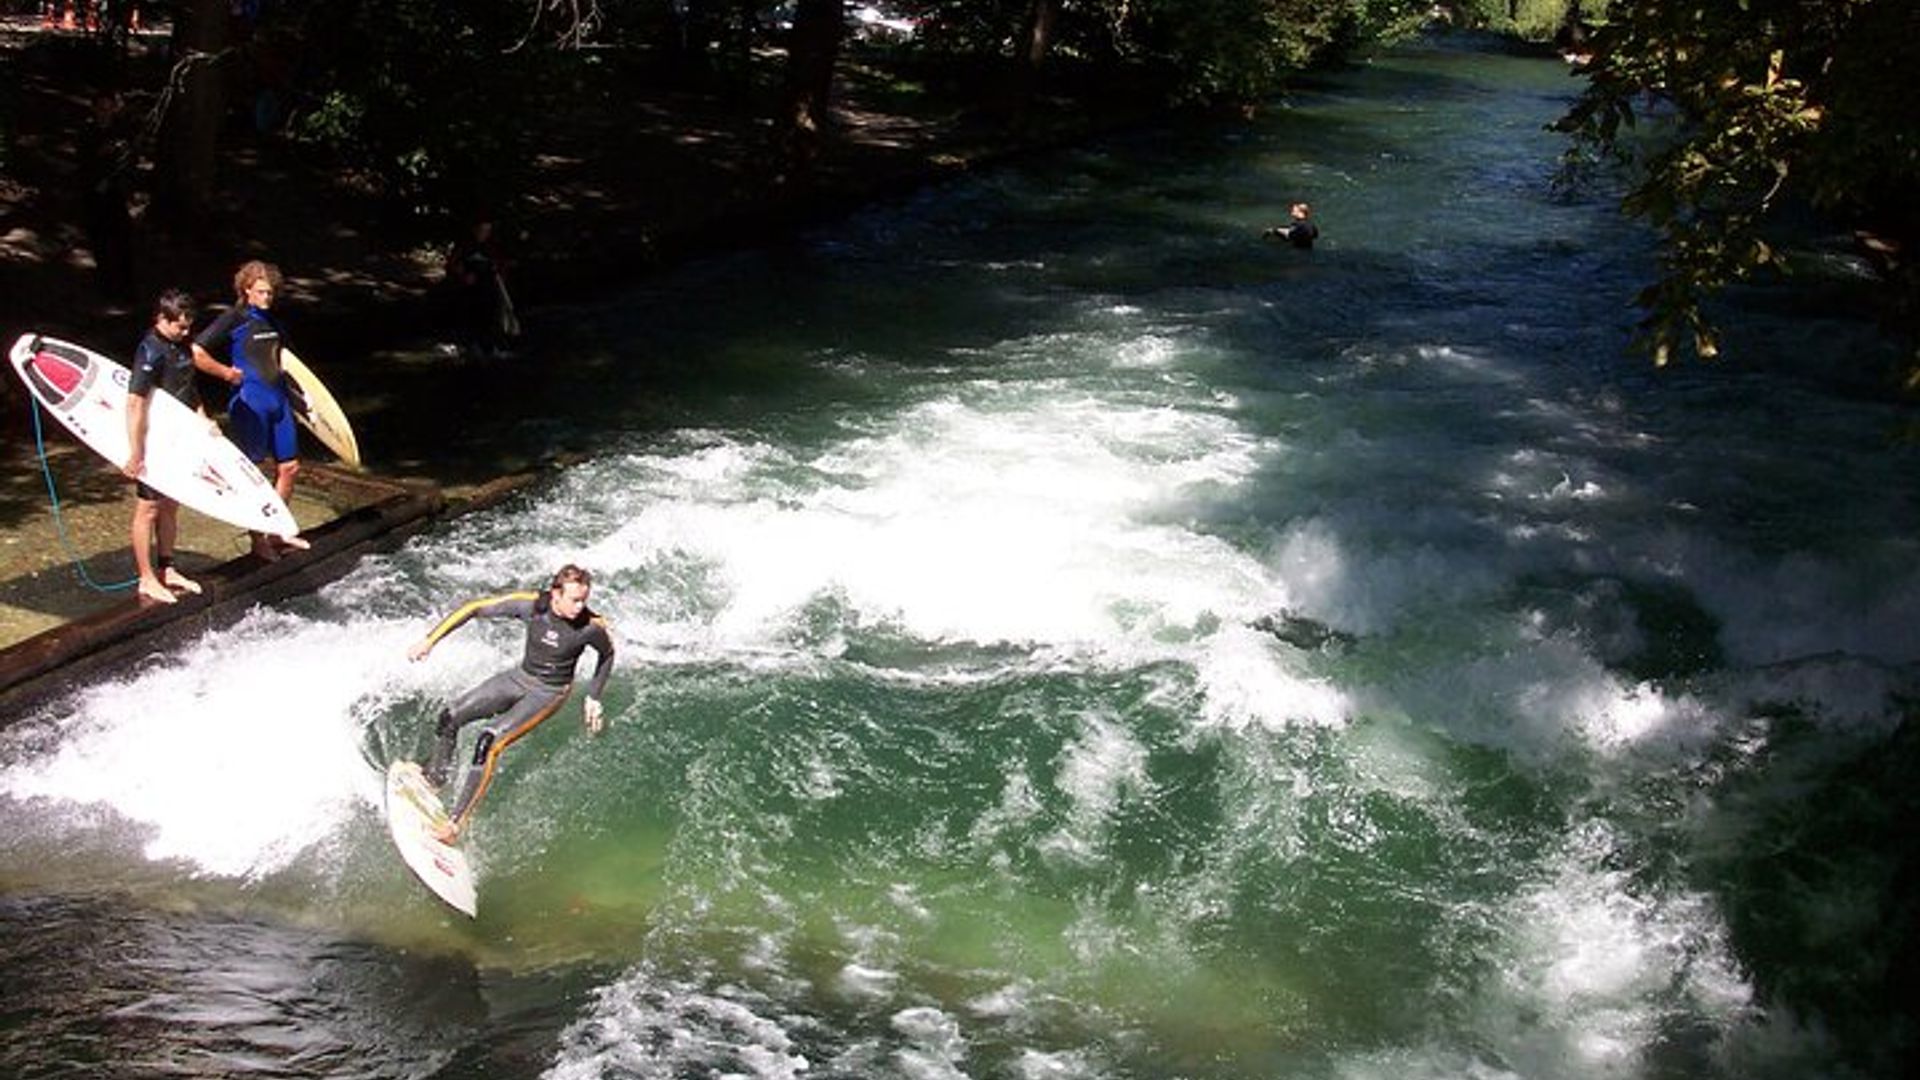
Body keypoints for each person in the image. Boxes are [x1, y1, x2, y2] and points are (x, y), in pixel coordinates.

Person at [406, 564, 615, 843]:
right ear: (556, 593)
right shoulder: (532, 606)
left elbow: (608, 654)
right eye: (575, 600)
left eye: (584, 600)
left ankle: (455, 825)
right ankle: (435, 777)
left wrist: (593, 696)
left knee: (488, 742)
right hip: (520, 678)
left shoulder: (590, 627)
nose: (580, 607)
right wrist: (429, 640)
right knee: (450, 715)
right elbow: (474, 608)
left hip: (549, 693)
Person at [191, 260, 310, 561]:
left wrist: (302, 401)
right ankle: (258, 540)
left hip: (278, 401)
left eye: (270, 293)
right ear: (247, 290)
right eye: (261, 292)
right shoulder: (234, 318)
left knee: (290, 467)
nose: (267, 298)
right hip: (249, 403)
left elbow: (285, 363)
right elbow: (196, 352)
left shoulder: (273, 322)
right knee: (253, 472)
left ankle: (276, 529)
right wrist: (225, 373)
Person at [122, 288, 207, 605]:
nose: (186, 332)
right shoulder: (150, 350)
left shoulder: (180, 345)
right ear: (162, 319)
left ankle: (167, 568)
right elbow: (135, 403)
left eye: (189, 327)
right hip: (153, 440)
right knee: (148, 509)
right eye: (180, 326)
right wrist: (136, 451)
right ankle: (146, 578)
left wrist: (203, 420)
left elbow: (188, 388)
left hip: (178, 438)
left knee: (171, 504)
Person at [443, 217, 519, 359]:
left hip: (489, 290)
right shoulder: (465, 246)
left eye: (487, 231)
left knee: (491, 318)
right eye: (482, 230)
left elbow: (501, 266)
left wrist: (501, 271)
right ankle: (471, 346)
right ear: (475, 230)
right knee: (472, 317)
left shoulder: (492, 247)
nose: (484, 234)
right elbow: (452, 265)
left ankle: (491, 347)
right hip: (470, 292)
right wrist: (464, 275)